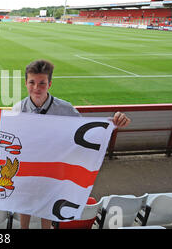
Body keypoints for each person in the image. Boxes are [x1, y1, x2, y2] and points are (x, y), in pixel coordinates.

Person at [12, 59, 131, 229]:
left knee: (48, 203)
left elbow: (86, 132)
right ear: (26, 83)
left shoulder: (65, 109)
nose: (37, 88)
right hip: (28, 165)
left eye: (42, 83)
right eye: (32, 82)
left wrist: (114, 124)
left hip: (54, 166)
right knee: (25, 201)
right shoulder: (18, 108)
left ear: (50, 84)